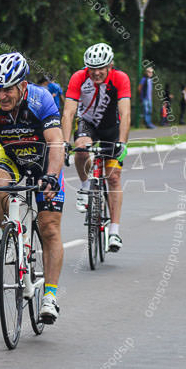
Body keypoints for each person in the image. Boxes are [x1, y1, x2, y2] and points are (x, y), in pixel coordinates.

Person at [0, 53, 65, 323]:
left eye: (7, 88)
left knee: (49, 226)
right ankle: (10, 235)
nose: (1, 95)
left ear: (23, 85)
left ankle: (50, 296)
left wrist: (52, 176)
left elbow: (56, 143)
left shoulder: (42, 99)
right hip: (12, 157)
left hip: (43, 161)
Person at [61, 42, 130, 252]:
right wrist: (65, 143)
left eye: (101, 68)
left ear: (110, 65)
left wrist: (122, 143)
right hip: (87, 123)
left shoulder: (120, 78)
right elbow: (68, 113)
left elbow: (125, 113)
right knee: (81, 149)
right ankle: (85, 188)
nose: (96, 73)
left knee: (114, 177)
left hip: (111, 127)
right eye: (92, 68)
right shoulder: (78, 78)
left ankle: (115, 232)